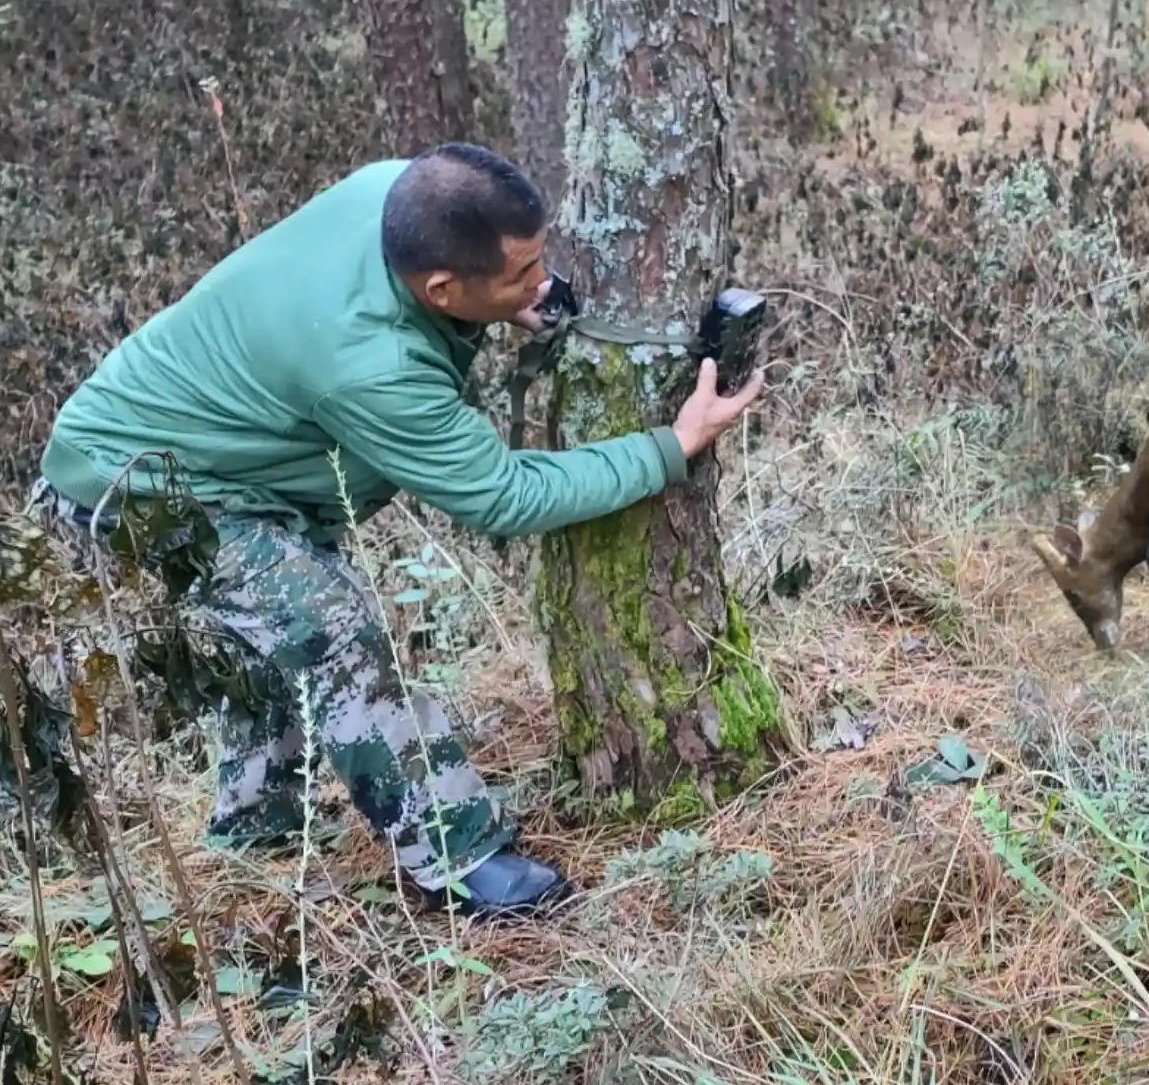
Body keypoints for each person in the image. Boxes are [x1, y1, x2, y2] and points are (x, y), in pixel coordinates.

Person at [28, 143, 764, 918]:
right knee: (329, 628)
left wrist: (504, 301)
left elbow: (428, 315)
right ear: (442, 287)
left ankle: (256, 835)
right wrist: (671, 445)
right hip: (133, 485)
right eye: (521, 275)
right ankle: (459, 858)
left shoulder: (400, 194)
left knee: (271, 645)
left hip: (215, 460)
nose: (540, 283)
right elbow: (503, 494)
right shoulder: (367, 361)